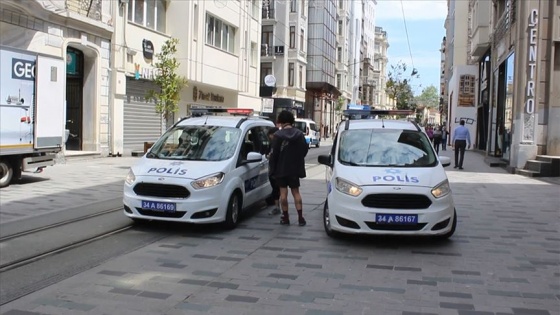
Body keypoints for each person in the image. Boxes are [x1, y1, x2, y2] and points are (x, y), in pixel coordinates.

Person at [269, 110, 309, 226]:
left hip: (281, 169)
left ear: (281, 121)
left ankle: (285, 217)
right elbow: (304, 151)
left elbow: (274, 154)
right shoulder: (299, 134)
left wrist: (272, 169)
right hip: (294, 169)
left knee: (283, 193)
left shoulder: (278, 135)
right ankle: (300, 217)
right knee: (296, 192)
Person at [265, 127, 280, 215]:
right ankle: (279, 208)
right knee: (279, 189)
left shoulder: (274, 143)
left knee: (276, 189)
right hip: (280, 169)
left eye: (270, 136)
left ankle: (278, 207)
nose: (269, 138)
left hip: (275, 170)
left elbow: (271, 155)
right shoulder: (280, 142)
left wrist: (269, 156)